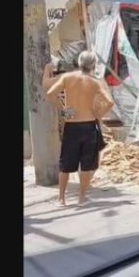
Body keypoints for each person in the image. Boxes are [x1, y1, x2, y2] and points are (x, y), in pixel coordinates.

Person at [45, 50, 115, 206]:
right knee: (86, 164)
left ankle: (61, 199)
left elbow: (50, 93)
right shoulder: (95, 82)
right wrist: (98, 114)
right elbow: (110, 102)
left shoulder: (68, 78)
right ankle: (81, 198)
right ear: (94, 65)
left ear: (79, 62)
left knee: (66, 164)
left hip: (72, 125)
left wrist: (64, 110)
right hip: (89, 125)